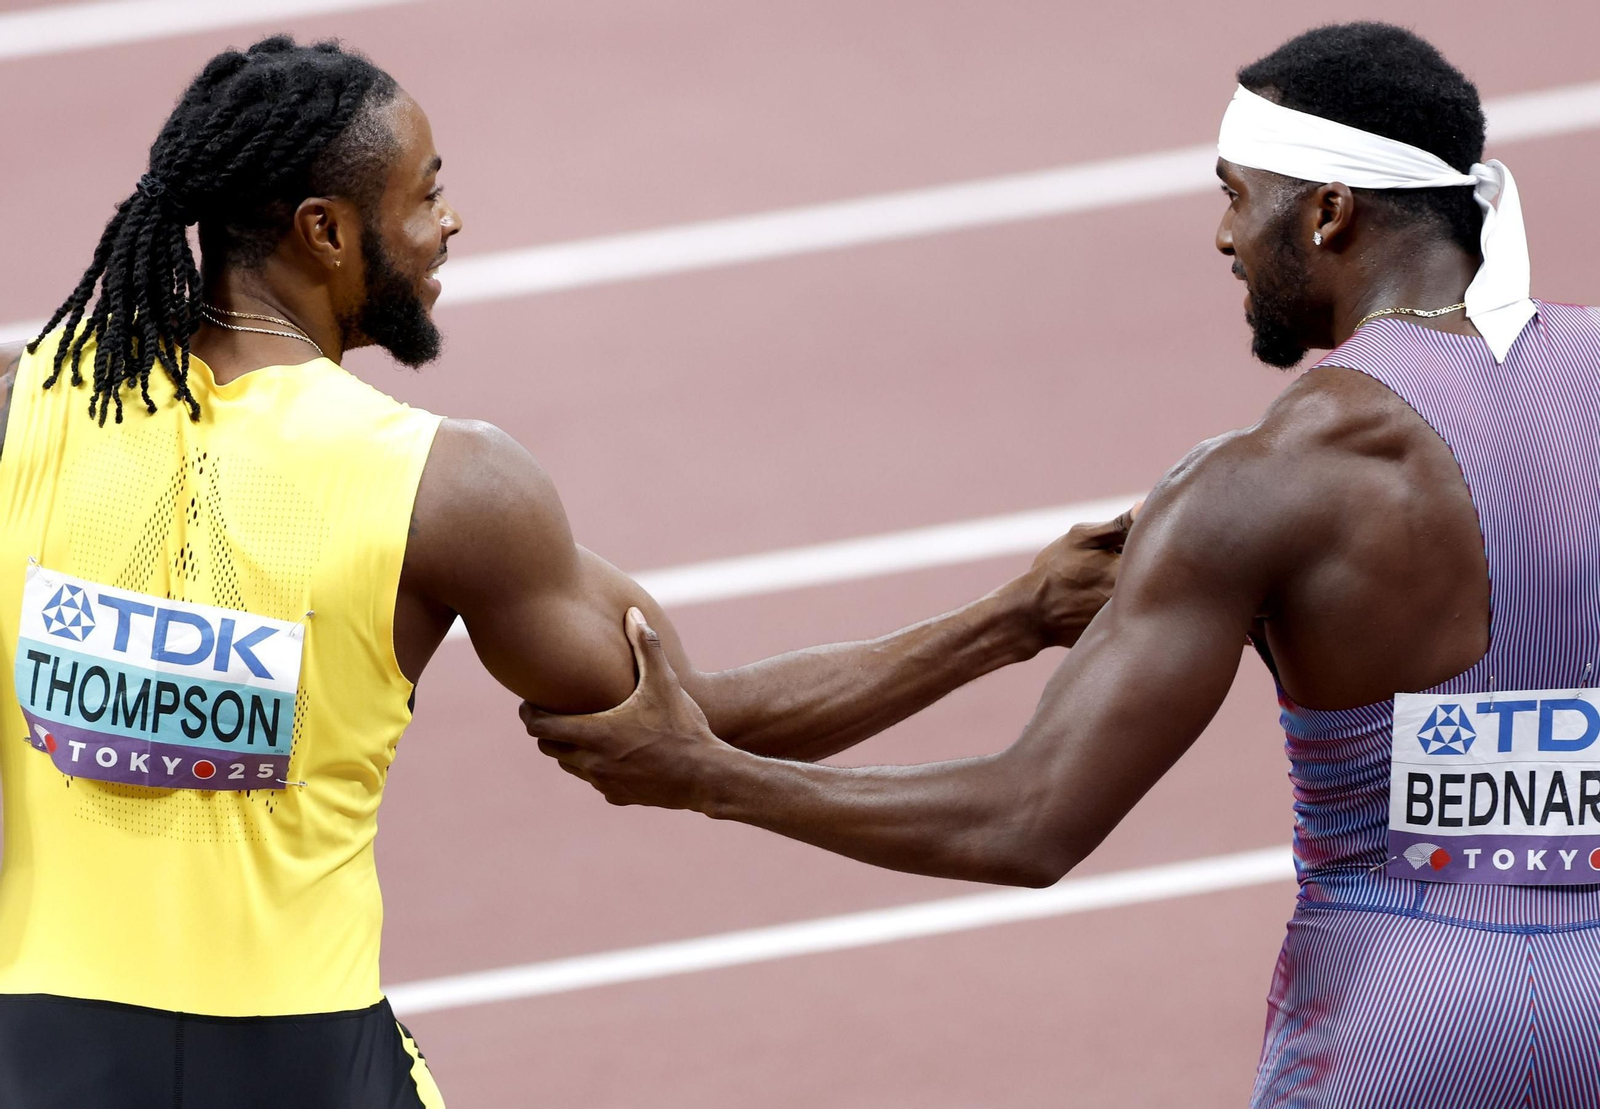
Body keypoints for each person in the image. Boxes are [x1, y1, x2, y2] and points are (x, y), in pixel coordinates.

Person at [0, 36, 1134, 1109]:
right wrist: (1012, 618)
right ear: (326, 233)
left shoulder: (35, 399)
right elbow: (696, 723)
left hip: (43, 1051)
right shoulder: (445, 486)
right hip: (299, 1056)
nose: (451, 223)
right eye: (425, 195)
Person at [526, 22, 1600, 1107]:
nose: (1225, 236)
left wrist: (712, 779)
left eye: (1236, 194)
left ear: (1326, 212)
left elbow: (1027, 819)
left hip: (1400, 1017)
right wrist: (1012, 616)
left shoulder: (1258, 481)